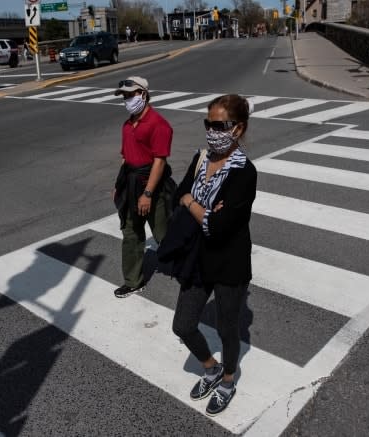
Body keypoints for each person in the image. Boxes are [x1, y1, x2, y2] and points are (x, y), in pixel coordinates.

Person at [168, 94, 257, 416]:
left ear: (238, 128)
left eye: (219, 125)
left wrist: (193, 203)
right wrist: (200, 207)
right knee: (183, 325)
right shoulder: (201, 157)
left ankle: (229, 379)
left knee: (226, 328)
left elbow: (218, 227)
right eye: (208, 123)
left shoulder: (245, 172)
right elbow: (179, 193)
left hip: (230, 260)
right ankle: (211, 368)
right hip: (197, 257)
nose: (212, 131)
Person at [112, 76, 175, 298]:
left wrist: (147, 194)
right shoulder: (128, 124)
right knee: (131, 232)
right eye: (124, 96)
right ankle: (133, 281)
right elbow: (125, 158)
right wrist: (119, 185)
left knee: (164, 234)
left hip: (152, 186)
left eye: (131, 95)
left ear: (144, 95)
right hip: (130, 185)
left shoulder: (159, 125)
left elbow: (159, 161)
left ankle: (190, 267)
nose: (127, 100)